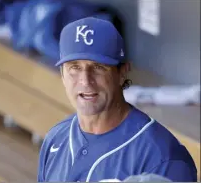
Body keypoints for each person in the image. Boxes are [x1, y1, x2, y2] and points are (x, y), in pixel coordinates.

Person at [37, 17, 197, 182]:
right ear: (62, 75)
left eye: (98, 67)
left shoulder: (162, 157)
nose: (85, 80)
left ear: (122, 72)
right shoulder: (56, 138)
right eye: (74, 68)